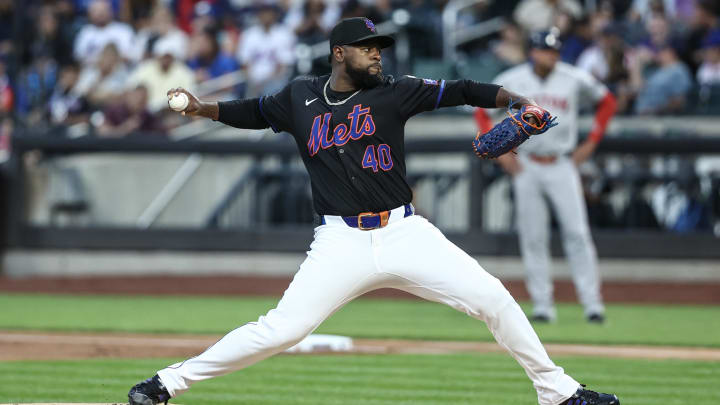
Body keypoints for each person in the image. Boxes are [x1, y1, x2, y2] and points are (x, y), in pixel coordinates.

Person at [127, 18, 620, 405]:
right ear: (340, 53)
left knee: (493, 298)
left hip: (405, 232)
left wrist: (516, 100)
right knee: (282, 330)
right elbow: (253, 111)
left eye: (380, 47)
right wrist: (199, 109)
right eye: (368, 48)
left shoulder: (395, 91)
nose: (377, 55)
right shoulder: (299, 96)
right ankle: (166, 384)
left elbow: (462, 89)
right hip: (340, 243)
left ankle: (558, 393)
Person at [475, 30, 617, 324]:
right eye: (544, 51)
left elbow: (608, 102)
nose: (550, 56)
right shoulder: (512, 79)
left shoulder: (574, 77)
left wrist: (591, 141)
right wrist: (501, 154)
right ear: (532, 52)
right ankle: (542, 306)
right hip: (526, 164)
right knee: (533, 236)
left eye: (554, 52)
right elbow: (480, 109)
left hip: (562, 163)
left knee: (577, 233)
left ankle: (592, 305)